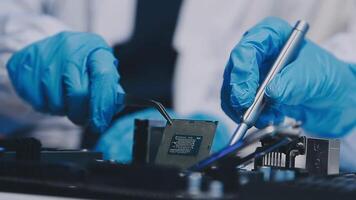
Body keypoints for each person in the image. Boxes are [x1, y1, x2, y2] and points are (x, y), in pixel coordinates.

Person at [0, 0, 355, 169]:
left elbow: (337, 155)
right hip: (57, 166)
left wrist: (346, 100)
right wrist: (21, 53)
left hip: (243, 165)